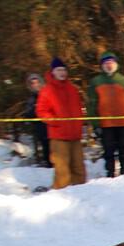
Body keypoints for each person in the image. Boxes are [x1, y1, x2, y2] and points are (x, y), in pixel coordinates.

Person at [37, 57, 86, 189]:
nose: (62, 72)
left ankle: (82, 190)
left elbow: (78, 109)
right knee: (62, 168)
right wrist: (54, 121)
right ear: (53, 72)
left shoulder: (73, 89)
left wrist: (80, 123)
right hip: (59, 135)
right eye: (59, 70)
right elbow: (41, 111)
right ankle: (61, 192)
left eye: (64, 69)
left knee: (79, 165)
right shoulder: (47, 90)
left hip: (75, 135)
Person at [88, 51, 124, 177]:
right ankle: (110, 172)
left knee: (123, 148)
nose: (109, 65)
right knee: (108, 149)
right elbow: (92, 105)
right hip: (105, 124)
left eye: (111, 63)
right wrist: (95, 125)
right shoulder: (96, 82)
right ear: (102, 66)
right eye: (106, 63)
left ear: (116, 64)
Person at [24, 73, 51, 167]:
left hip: (53, 125)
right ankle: (48, 164)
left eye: (37, 82)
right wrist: (35, 112)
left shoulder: (48, 93)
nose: (36, 85)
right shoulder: (31, 99)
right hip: (40, 127)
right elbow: (28, 113)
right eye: (33, 83)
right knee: (46, 146)